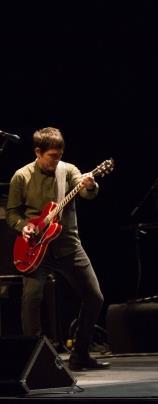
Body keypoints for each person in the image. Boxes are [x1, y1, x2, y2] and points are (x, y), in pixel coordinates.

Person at [6, 127, 110, 371]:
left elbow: (86, 193)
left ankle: (80, 354)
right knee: (31, 299)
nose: (57, 160)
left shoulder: (69, 170)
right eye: (52, 155)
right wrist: (24, 226)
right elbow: (12, 213)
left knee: (95, 297)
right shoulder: (21, 176)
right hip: (35, 248)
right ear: (38, 152)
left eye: (60, 154)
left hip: (67, 245)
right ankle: (35, 361)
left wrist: (90, 184)